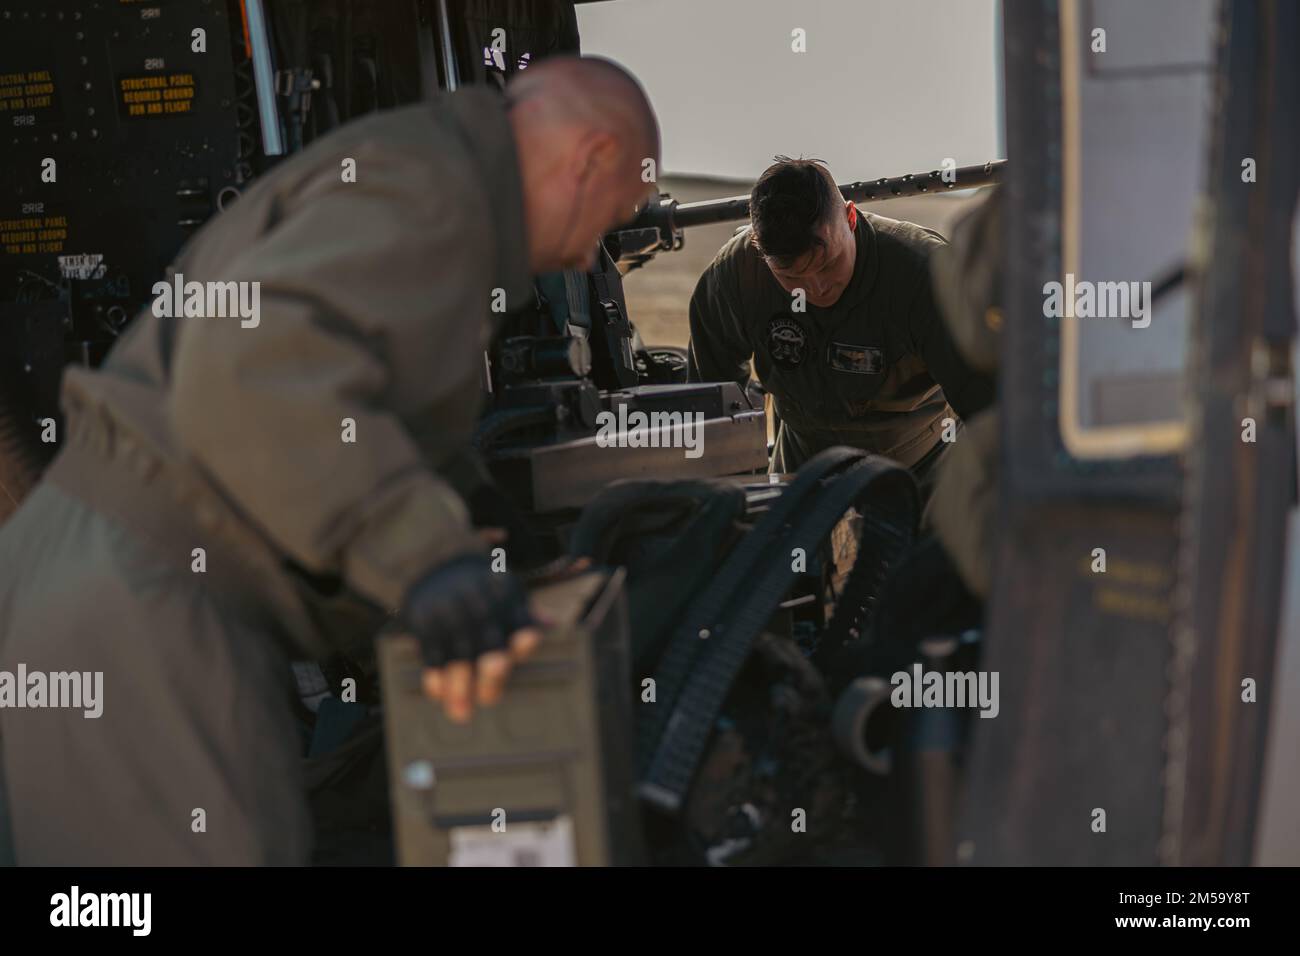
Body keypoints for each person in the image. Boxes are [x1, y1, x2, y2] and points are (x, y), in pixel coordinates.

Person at [0, 56, 659, 865]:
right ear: (587, 158)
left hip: (96, 588)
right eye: (607, 221)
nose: (587, 259)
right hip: (145, 601)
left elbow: (350, 399)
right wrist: (423, 560)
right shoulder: (437, 191)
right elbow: (251, 367)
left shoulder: (421, 171)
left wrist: (480, 518)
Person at [686, 157, 993, 493]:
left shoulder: (927, 277)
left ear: (850, 217)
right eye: (790, 278)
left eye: (829, 265)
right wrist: (742, 494)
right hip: (802, 478)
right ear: (760, 250)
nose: (816, 288)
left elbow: (989, 409)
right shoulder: (737, 275)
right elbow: (709, 400)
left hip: (923, 475)